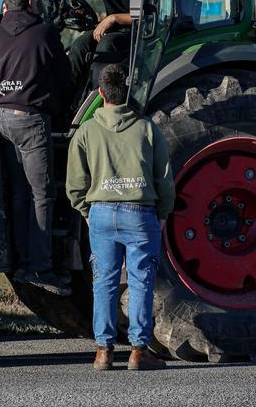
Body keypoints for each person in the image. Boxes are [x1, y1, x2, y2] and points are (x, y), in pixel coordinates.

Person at [65, 63, 174, 371]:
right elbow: (164, 178)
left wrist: (87, 212)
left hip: (100, 213)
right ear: (128, 93)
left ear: (100, 94)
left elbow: (75, 184)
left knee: (105, 282)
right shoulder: (147, 128)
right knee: (141, 281)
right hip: (140, 214)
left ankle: (103, 351)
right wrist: (163, 213)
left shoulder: (86, 131)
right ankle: (139, 352)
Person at [0, 0, 73, 295]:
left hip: (3, 119)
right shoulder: (46, 33)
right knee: (42, 195)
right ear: (32, 3)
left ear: (6, 7)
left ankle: (21, 263)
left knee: (19, 194)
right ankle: (40, 267)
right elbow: (65, 77)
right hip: (32, 121)